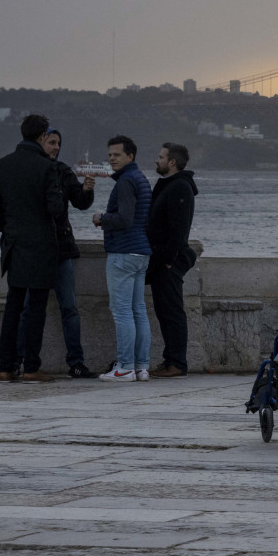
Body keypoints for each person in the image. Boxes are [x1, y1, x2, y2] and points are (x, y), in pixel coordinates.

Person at [0, 114, 65, 383]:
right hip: (41, 246)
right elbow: (55, 207)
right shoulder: (46, 167)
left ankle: (5, 367)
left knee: (13, 307)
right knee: (36, 309)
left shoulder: (1, 165)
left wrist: (9, 230)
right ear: (42, 137)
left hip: (14, 245)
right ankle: (31, 367)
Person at [16, 126, 99, 379]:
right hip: (35, 249)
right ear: (40, 142)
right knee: (28, 309)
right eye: (51, 142)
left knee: (70, 308)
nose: (55, 147)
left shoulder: (62, 171)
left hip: (61, 248)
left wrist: (87, 190)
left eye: (58, 144)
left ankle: (76, 362)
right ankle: (18, 361)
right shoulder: (30, 170)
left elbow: (80, 203)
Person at [93, 135, 152, 383]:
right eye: (109, 155)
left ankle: (125, 367)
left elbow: (124, 219)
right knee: (139, 310)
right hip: (141, 252)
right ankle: (141, 367)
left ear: (131, 156)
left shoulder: (126, 181)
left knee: (122, 313)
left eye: (117, 155)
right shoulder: (141, 179)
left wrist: (101, 218)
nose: (111, 159)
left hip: (124, 253)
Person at [146, 142, 198, 379]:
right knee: (164, 312)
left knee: (172, 312)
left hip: (169, 261)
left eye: (161, 157)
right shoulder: (169, 185)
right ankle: (170, 360)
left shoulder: (179, 187)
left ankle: (176, 363)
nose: (157, 160)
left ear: (172, 162)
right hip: (160, 260)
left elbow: (179, 229)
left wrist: (167, 260)